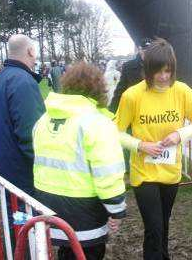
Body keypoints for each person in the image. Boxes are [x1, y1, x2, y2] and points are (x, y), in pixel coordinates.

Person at [115, 37, 192, 260]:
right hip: (144, 173)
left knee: (163, 225)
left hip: (170, 171)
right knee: (154, 228)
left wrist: (179, 134)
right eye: (158, 71)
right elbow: (114, 131)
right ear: (148, 69)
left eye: (168, 71)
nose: (164, 76)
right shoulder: (133, 95)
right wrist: (140, 145)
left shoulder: (182, 91)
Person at [33, 63, 126, 259]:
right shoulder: (97, 123)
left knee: (66, 252)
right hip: (85, 213)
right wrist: (116, 209)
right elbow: (107, 172)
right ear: (99, 88)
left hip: (49, 206)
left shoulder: (42, 121)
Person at [0, 34, 45, 195]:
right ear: (31, 51)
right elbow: (32, 134)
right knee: (26, 220)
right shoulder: (24, 82)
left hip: (2, 171)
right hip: (22, 178)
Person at [109, 38, 152, 113]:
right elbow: (120, 90)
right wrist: (112, 111)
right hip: (134, 109)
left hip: (152, 109)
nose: (148, 54)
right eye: (145, 51)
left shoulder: (157, 66)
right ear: (140, 49)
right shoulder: (128, 66)